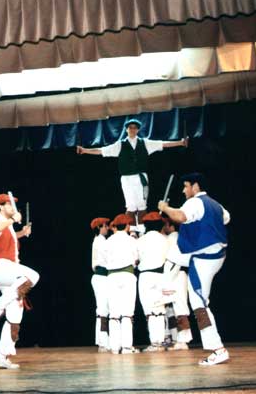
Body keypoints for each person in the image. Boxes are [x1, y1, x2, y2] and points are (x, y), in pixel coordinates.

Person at [158, 173, 230, 365]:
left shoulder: (194, 203)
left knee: (198, 304)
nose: (183, 190)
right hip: (217, 256)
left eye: (185, 186)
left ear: (195, 187)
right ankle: (217, 348)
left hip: (203, 260)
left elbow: (180, 216)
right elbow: (226, 219)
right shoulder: (216, 205)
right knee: (177, 258)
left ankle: (218, 349)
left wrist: (165, 208)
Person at [76, 118, 188, 223]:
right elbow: (102, 151)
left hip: (141, 178)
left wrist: (180, 142)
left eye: (135, 127)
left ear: (138, 130)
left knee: (142, 205)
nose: (132, 129)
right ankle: (131, 232)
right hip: (127, 179)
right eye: (130, 127)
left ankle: (142, 229)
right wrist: (85, 150)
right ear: (126, 130)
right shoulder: (120, 145)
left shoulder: (145, 143)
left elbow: (163, 144)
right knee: (130, 206)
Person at [0, 193, 39, 369]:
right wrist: (13, 220)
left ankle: (2, 356)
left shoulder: (8, 228)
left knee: (15, 317)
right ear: (1, 207)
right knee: (33, 276)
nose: (13, 208)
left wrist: (22, 232)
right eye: (9, 205)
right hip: (0, 268)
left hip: (8, 274)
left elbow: (9, 237)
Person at [104, 213, 139, 354]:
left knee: (113, 312)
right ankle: (126, 347)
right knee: (127, 312)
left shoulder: (108, 241)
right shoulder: (131, 240)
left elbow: (105, 259)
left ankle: (114, 347)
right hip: (127, 275)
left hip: (111, 277)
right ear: (127, 226)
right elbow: (137, 258)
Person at [136, 212, 169, 352]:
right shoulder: (165, 239)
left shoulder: (141, 240)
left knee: (149, 310)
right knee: (160, 309)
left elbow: (135, 259)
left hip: (146, 276)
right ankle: (159, 342)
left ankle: (154, 342)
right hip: (161, 275)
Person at [161, 220, 192, 351]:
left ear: (171, 226)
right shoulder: (178, 237)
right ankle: (179, 339)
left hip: (176, 274)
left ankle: (183, 340)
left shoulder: (173, 238)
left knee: (180, 307)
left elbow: (173, 260)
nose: (164, 227)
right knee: (177, 307)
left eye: (166, 225)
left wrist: (167, 281)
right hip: (178, 274)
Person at [90, 217, 110, 352]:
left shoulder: (100, 241)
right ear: (99, 227)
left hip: (101, 277)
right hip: (101, 276)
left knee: (102, 309)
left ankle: (102, 340)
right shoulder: (101, 241)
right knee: (103, 309)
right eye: (105, 226)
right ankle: (103, 342)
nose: (107, 228)